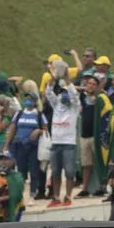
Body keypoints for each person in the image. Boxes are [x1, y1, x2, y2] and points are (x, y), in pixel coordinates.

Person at [45, 67, 79, 207]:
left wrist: (67, 80)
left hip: (69, 144)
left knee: (70, 172)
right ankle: (56, 197)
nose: (64, 95)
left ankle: (68, 196)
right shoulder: (56, 104)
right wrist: (53, 77)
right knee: (55, 172)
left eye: (66, 93)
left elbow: (75, 96)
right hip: (55, 143)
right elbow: (48, 92)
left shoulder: (74, 107)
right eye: (62, 92)